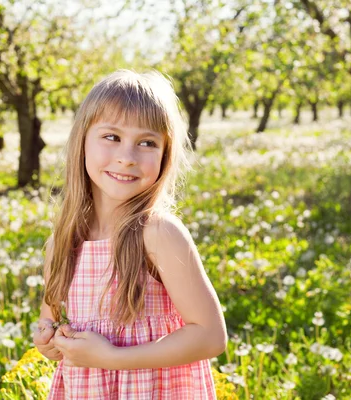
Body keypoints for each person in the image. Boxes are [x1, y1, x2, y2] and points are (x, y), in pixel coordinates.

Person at [33, 69, 227, 399]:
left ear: (165, 155)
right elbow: (47, 320)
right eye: (112, 137)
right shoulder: (64, 242)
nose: (127, 157)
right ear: (82, 141)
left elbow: (211, 337)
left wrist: (113, 359)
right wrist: (50, 342)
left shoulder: (158, 233)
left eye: (147, 143)